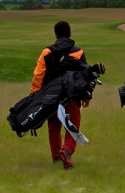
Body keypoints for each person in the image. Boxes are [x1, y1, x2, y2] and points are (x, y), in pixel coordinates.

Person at [31, 21, 90, 170]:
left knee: (53, 126)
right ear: (70, 33)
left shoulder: (46, 52)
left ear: (55, 35)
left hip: (51, 97)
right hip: (72, 96)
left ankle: (56, 156)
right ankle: (67, 151)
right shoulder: (79, 52)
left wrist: (34, 96)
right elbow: (85, 76)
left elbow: (38, 75)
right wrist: (86, 96)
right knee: (73, 126)